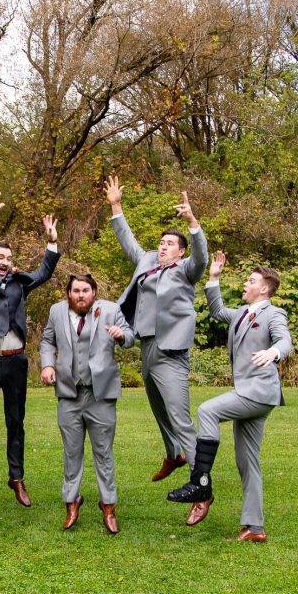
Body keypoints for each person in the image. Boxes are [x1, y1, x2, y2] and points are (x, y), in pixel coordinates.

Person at [167, 251, 292, 543]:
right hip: (249, 393)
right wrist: (213, 278)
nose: (245, 285)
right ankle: (254, 528)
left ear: (264, 288)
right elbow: (217, 310)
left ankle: (200, 481)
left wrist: (274, 352)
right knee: (247, 463)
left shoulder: (273, 313)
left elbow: (284, 338)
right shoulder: (241, 314)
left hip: (259, 393)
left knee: (208, 411)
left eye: (251, 281)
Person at [104, 175, 208, 483]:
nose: (163, 247)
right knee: (160, 412)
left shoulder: (186, 270)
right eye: (161, 242)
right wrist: (116, 206)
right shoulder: (147, 263)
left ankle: (199, 481)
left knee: (180, 418)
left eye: (170, 244)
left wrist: (192, 222)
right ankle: (173, 454)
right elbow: (128, 241)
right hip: (147, 347)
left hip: (172, 351)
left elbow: (201, 256)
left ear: (180, 251)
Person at [0, 188, 60, 508]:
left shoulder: (20, 283)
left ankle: (16, 478)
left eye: (8, 258)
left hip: (16, 361)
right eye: (0, 257)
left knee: (15, 421)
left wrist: (51, 240)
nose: (5, 262)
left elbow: (45, 272)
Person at [40, 275, 134, 534]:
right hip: (69, 394)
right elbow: (47, 341)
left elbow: (130, 335)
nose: (81, 295)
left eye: (86, 290)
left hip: (100, 395)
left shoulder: (111, 310)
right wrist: (47, 364)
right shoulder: (56, 311)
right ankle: (71, 501)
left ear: (94, 293)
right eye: (76, 291)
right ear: (68, 293)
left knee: (103, 453)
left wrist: (120, 336)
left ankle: (109, 504)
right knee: (71, 452)